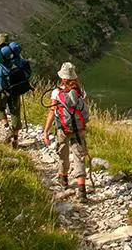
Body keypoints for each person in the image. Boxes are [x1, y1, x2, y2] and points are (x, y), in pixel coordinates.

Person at [42, 62, 90, 203]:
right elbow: (85, 111)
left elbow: (52, 112)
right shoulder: (81, 92)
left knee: (63, 151)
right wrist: (82, 125)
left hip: (62, 129)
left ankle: (63, 179)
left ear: (62, 78)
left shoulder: (56, 93)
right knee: (79, 156)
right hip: (79, 129)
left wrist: (46, 131)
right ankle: (82, 190)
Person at [0, 33, 22, 148]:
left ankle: (7, 128)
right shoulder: (16, 55)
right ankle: (15, 140)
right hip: (15, 88)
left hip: (3, 90)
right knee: (15, 112)